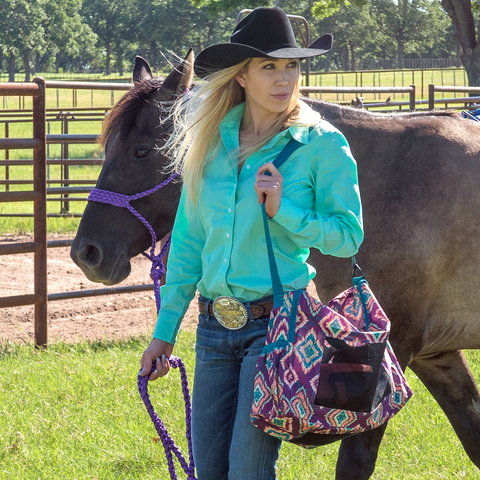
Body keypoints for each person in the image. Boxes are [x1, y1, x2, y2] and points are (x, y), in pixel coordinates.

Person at [139, 6, 363, 480]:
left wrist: (286, 211)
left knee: (246, 471)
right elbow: (186, 246)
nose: (284, 79)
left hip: (277, 328)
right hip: (213, 330)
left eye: (291, 66)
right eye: (269, 67)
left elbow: (347, 237)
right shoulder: (211, 144)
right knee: (210, 472)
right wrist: (164, 332)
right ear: (241, 76)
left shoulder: (320, 143)